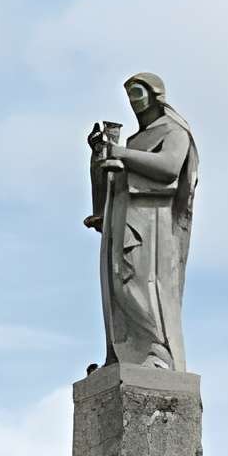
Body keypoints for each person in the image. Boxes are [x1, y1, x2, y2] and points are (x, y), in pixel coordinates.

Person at [86, 73, 198, 372]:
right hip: (120, 214)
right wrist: (100, 158)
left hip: (151, 219)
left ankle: (158, 353)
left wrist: (121, 153)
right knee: (116, 284)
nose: (133, 101)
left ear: (156, 95)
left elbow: (170, 166)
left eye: (137, 92)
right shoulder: (136, 140)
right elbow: (115, 180)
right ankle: (122, 353)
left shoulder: (174, 130)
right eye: (129, 95)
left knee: (142, 283)